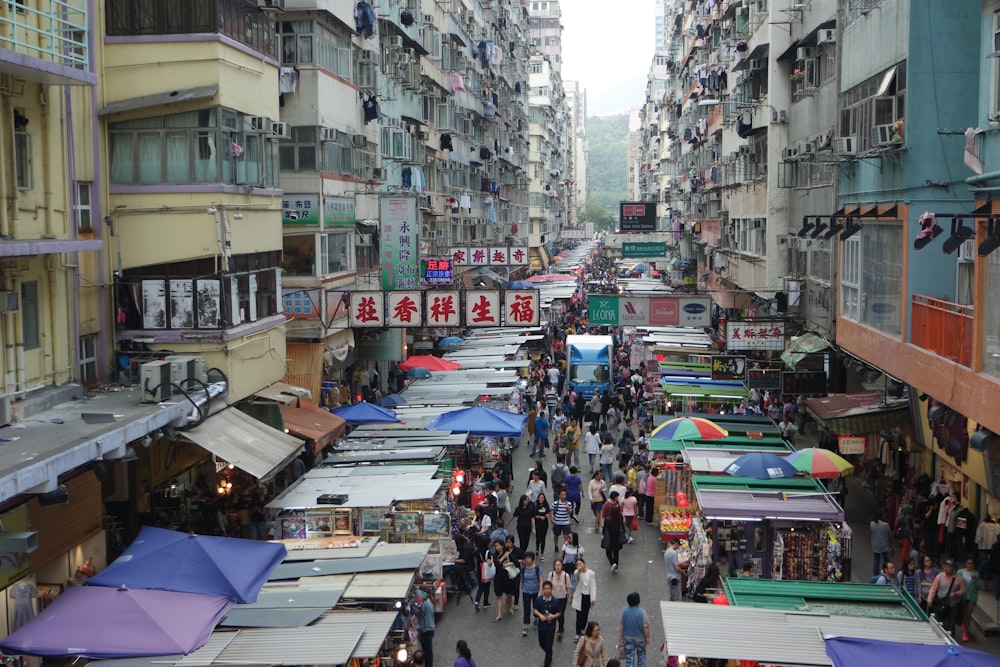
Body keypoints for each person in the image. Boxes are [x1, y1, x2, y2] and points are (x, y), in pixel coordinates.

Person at [927, 559, 966, 636]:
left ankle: (950, 639)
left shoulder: (959, 579)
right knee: (939, 622)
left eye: (949, 567)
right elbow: (933, 589)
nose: (946, 569)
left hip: (952, 605)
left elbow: (963, 590)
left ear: (953, 568)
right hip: (940, 603)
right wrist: (929, 599)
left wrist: (956, 593)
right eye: (945, 567)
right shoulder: (939, 577)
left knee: (951, 623)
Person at [533, 581, 561, 667]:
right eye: (545, 588)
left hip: (551, 627)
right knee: (541, 643)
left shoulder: (555, 601)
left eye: (549, 588)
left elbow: (559, 613)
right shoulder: (539, 600)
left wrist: (553, 616)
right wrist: (540, 615)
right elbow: (535, 609)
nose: (547, 590)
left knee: (549, 645)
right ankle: (549, 654)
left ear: (551, 589)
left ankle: (547, 662)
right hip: (541, 626)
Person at [619, 592, 650, 667]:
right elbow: (645, 626)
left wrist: (621, 636)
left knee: (629, 657)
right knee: (641, 656)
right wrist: (647, 638)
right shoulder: (642, 612)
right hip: (640, 638)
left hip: (627, 637)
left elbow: (621, 625)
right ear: (638, 601)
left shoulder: (624, 611)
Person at [572, 558, 597, 642]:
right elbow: (576, 574)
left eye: (581, 563)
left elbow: (593, 585)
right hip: (579, 596)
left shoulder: (591, 573)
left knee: (585, 614)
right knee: (578, 615)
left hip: (587, 596)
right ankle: (577, 633)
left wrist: (593, 598)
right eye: (577, 564)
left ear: (584, 563)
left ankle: (582, 628)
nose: (579, 565)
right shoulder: (577, 573)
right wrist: (579, 570)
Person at [548, 557, 573, 641]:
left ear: (562, 566)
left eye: (559, 565)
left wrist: (570, 597)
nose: (558, 567)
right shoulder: (551, 575)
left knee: (560, 614)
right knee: (552, 614)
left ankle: (560, 630)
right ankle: (552, 629)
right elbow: (548, 586)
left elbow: (569, 587)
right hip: (553, 598)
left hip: (562, 598)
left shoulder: (565, 575)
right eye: (556, 565)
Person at [520, 552, 544, 637]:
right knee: (526, 608)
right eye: (525, 558)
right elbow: (522, 579)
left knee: (536, 607)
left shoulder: (537, 568)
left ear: (532, 559)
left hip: (536, 591)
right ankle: (526, 626)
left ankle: (536, 619)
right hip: (526, 591)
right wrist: (522, 588)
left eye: (528, 558)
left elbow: (541, 580)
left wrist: (540, 592)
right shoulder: (523, 568)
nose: (526, 560)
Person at [601, 491, 625, 573]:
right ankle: (616, 566)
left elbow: (605, 530)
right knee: (616, 552)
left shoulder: (608, 521)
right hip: (617, 538)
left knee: (608, 552)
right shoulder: (619, 520)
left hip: (610, 538)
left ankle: (612, 563)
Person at [492, 540, 516, 621]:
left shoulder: (508, 553)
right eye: (495, 546)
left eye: (498, 545)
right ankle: (499, 614)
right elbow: (497, 565)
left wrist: (509, 563)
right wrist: (503, 557)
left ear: (502, 546)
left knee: (509, 595)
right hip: (498, 577)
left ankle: (509, 607)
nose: (496, 547)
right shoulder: (495, 555)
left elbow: (515, 562)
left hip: (507, 577)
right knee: (499, 596)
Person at [959, 557, 980, 642]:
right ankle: (963, 624)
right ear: (965, 564)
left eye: (972, 563)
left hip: (972, 597)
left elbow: (979, 587)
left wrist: (975, 580)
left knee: (968, 614)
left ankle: (965, 632)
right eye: (968, 563)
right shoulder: (960, 572)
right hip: (963, 596)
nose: (970, 565)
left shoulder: (976, 574)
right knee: (963, 614)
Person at [551, 488, 576, 553]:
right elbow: (550, 510)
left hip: (566, 522)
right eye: (562, 494)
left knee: (566, 536)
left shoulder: (569, 504)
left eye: (565, 494)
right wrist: (551, 518)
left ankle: (565, 548)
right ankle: (556, 545)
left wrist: (568, 509)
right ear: (559, 495)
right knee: (556, 535)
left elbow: (570, 513)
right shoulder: (555, 503)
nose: (564, 496)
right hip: (557, 522)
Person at [663, 537, 688, 601]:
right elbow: (677, 568)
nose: (678, 547)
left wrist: (686, 561)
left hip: (669, 577)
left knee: (672, 595)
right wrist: (684, 573)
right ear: (676, 544)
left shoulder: (667, 552)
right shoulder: (674, 553)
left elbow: (674, 563)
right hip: (675, 578)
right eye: (678, 545)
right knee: (677, 597)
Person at [870, 511, 893, 577]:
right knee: (886, 560)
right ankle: (887, 573)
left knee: (876, 561)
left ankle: (875, 575)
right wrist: (891, 546)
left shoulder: (872, 524)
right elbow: (890, 535)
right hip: (884, 546)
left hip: (875, 545)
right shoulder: (886, 525)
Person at [474, 536, 493, 610]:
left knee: (480, 587)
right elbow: (489, 564)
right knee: (487, 587)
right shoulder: (488, 552)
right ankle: (485, 602)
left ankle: (477, 601)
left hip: (479, 571)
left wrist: (475, 569)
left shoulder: (477, 551)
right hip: (486, 572)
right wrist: (492, 559)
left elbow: (475, 561)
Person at [418, 590, 435, 667]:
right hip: (430, 628)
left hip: (426, 629)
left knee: (427, 651)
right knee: (428, 650)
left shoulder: (424, 603)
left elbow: (420, 614)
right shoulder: (428, 601)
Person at [533, 493, 551, 558]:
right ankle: (537, 548)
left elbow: (548, 512)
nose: (541, 499)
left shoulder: (546, 505)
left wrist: (548, 515)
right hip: (538, 523)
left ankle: (542, 553)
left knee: (543, 538)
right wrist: (540, 517)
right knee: (538, 538)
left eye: (542, 497)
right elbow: (533, 515)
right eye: (540, 497)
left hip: (545, 524)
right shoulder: (535, 505)